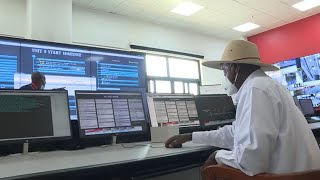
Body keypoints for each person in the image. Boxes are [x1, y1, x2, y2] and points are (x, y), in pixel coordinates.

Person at [165, 40, 320, 176]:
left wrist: (218, 155)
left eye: (224, 70)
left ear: (234, 68)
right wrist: (191, 136)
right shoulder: (266, 85)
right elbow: (236, 133)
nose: (224, 75)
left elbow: (250, 162)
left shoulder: (255, 89)